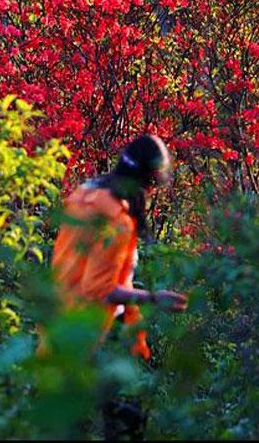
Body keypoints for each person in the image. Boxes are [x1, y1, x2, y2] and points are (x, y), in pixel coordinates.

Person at [50, 134, 188, 439]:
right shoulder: (116, 218)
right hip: (95, 332)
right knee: (126, 423)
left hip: (58, 324)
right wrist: (154, 298)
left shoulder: (84, 193)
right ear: (146, 180)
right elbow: (99, 290)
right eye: (153, 184)